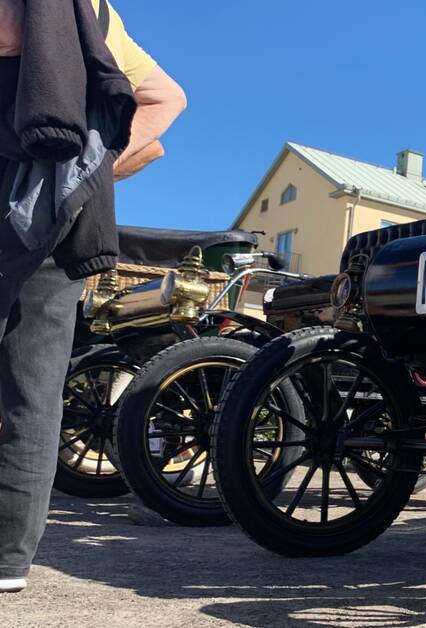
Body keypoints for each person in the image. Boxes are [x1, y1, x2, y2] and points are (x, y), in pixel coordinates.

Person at [0, 0, 186, 594]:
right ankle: (7, 561)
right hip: (59, 212)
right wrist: (91, 170)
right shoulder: (96, 13)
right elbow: (168, 98)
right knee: (35, 387)